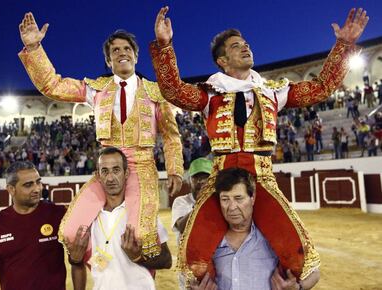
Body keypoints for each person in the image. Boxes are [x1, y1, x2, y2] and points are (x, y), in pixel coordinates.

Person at [151, 6, 368, 284]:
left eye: (246, 44)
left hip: (262, 178)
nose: (245, 48)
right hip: (222, 179)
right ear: (222, 60)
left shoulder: (273, 91)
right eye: (236, 46)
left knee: (297, 255)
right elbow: (173, 90)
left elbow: (321, 88)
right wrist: (164, 46)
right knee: (194, 256)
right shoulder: (209, 94)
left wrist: (344, 45)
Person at [18, 12, 184, 258]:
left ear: (136, 55)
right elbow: (52, 85)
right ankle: (100, 266)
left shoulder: (156, 92)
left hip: (141, 167)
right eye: (115, 51)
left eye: (127, 48)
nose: (122, 53)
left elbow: (171, 136)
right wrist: (34, 48)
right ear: (109, 61)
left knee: (141, 238)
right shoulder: (95, 90)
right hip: (106, 168)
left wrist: (175, 169)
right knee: (71, 233)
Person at [191, 168, 320, 290]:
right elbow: (191, 279)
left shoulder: (272, 236)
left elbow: (314, 272)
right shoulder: (209, 242)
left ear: (252, 199)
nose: (231, 207)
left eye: (238, 198)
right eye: (225, 199)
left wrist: (298, 288)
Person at [65, 146, 172, 290]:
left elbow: (166, 260)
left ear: (126, 173)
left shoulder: (142, 212)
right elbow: (77, 262)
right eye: (105, 171)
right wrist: (74, 259)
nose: (110, 178)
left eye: (116, 170)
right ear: (98, 176)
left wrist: (137, 257)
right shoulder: (90, 218)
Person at [0, 161, 67, 290]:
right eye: (28, 185)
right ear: (11, 189)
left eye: (38, 182)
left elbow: (78, 261)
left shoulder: (59, 215)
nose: (37, 188)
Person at [172, 157, 212, 290]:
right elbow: (182, 226)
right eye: (196, 177)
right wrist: (200, 203)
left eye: (204, 177)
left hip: (214, 267)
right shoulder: (181, 202)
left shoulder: (218, 201)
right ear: (189, 180)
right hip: (189, 268)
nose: (200, 181)